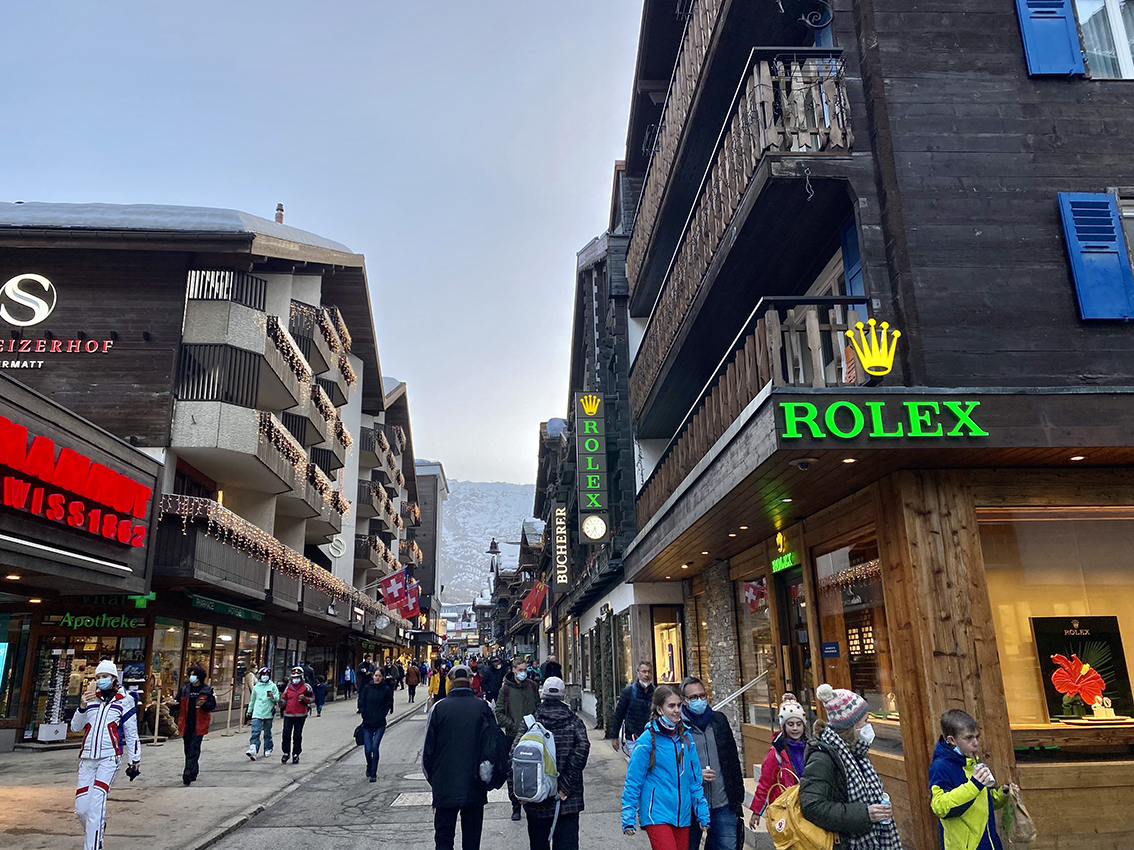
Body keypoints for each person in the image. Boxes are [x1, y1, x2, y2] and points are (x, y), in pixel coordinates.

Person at [800, 683, 901, 850]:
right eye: (865, 721)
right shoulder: (823, 758)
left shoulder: (856, 753)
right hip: (847, 843)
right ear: (851, 726)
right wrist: (864, 813)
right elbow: (812, 806)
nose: (869, 726)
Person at [621, 684, 711, 850]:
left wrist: (702, 813)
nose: (677, 710)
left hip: (682, 815)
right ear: (659, 710)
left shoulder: (686, 738)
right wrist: (628, 817)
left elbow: (694, 780)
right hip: (656, 814)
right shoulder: (646, 740)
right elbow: (633, 781)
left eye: (678, 705)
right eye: (671, 706)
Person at [423, 664, 498, 850]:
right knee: (472, 840)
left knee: (444, 839)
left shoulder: (439, 709)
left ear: (449, 682)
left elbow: (427, 752)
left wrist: (435, 780)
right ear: (471, 681)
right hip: (474, 785)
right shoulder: (484, 707)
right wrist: (486, 780)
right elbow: (493, 748)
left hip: (444, 784)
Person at [512, 677, 590, 850]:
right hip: (568, 800)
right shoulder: (574, 722)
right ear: (564, 695)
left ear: (543, 694)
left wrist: (517, 794)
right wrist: (565, 786)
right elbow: (582, 748)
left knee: (538, 844)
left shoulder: (530, 723)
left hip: (536, 797)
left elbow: (514, 757)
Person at [71, 660, 140, 850]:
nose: (101, 680)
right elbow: (75, 727)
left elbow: (132, 732)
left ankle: (93, 846)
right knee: (81, 808)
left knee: (95, 806)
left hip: (109, 758)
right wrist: (82, 707)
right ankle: (98, 829)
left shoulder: (125, 700)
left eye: (105, 677)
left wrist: (135, 759)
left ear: (113, 678)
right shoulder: (90, 699)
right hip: (86, 759)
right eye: (98, 677)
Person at [930, 709, 1017, 850]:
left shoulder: (974, 761)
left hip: (989, 843)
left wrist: (1003, 793)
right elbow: (940, 807)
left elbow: (984, 801)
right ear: (952, 740)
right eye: (969, 738)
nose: (976, 743)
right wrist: (974, 785)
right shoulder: (941, 767)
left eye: (977, 737)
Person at [680, 677, 745, 850]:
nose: (699, 700)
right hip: (690, 807)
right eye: (693, 697)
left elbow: (732, 759)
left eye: (702, 695)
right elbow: (669, 769)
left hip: (722, 803)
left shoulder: (719, 721)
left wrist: (737, 798)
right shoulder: (677, 728)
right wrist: (695, 776)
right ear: (684, 701)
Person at [749, 695, 808, 829]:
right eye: (790, 724)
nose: (795, 728)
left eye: (799, 724)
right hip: (785, 807)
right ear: (783, 726)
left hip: (808, 805)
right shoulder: (776, 753)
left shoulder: (810, 748)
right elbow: (766, 783)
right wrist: (757, 811)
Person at [495, 656, 541, 821]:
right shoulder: (505, 689)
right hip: (513, 737)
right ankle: (515, 805)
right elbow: (499, 713)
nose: (523, 673)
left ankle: (531, 802)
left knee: (533, 769)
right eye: (520, 670)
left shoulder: (532, 686)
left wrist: (536, 722)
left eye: (525, 670)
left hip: (532, 736)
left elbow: (538, 706)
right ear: (513, 670)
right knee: (512, 772)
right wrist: (514, 725)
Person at [177, 664, 215, 785]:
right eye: (190, 675)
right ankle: (194, 769)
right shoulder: (184, 690)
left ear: (199, 677)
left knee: (194, 747)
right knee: (187, 748)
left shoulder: (207, 690)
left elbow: (211, 706)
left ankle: (187, 773)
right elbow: (178, 702)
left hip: (199, 724)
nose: (191, 677)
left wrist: (203, 704)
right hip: (186, 723)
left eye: (194, 675)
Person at [608, 661, 655, 755]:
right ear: (637, 673)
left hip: (653, 738)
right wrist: (614, 737)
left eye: (649, 672)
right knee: (638, 765)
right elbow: (619, 715)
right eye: (644, 671)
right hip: (633, 738)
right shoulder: (628, 692)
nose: (647, 674)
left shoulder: (656, 692)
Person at [359, 668, 395, 782]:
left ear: (382, 677)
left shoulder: (385, 689)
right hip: (367, 723)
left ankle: (373, 772)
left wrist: (383, 714)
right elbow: (361, 701)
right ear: (373, 676)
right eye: (376, 676)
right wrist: (363, 713)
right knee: (368, 749)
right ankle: (369, 765)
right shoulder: (367, 688)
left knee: (375, 747)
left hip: (380, 723)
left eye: (379, 676)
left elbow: (389, 703)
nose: (377, 678)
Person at [279, 665, 314, 765]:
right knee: (286, 733)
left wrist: (305, 699)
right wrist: (281, 703)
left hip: (300, 714)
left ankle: (296, 754)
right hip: (288, 714)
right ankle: (286, 752)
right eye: (294, 677)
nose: (295, 679)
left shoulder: (306, 687)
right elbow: (284, 699)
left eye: (297, 677)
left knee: (297, 735)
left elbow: (312, 698)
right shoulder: (288, 688)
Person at [245, 666, 280, 761]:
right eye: (263, 675)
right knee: (255, 732)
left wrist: (272, 697)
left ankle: (268, 748)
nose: (265, 676)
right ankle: (253, 749)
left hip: (268, 713)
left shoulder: (272, 686)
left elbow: (277, 698)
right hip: (257, 713)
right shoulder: (256, 687)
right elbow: (252, 700)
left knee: (267, 732)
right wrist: (249, 711)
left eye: (267, 675)